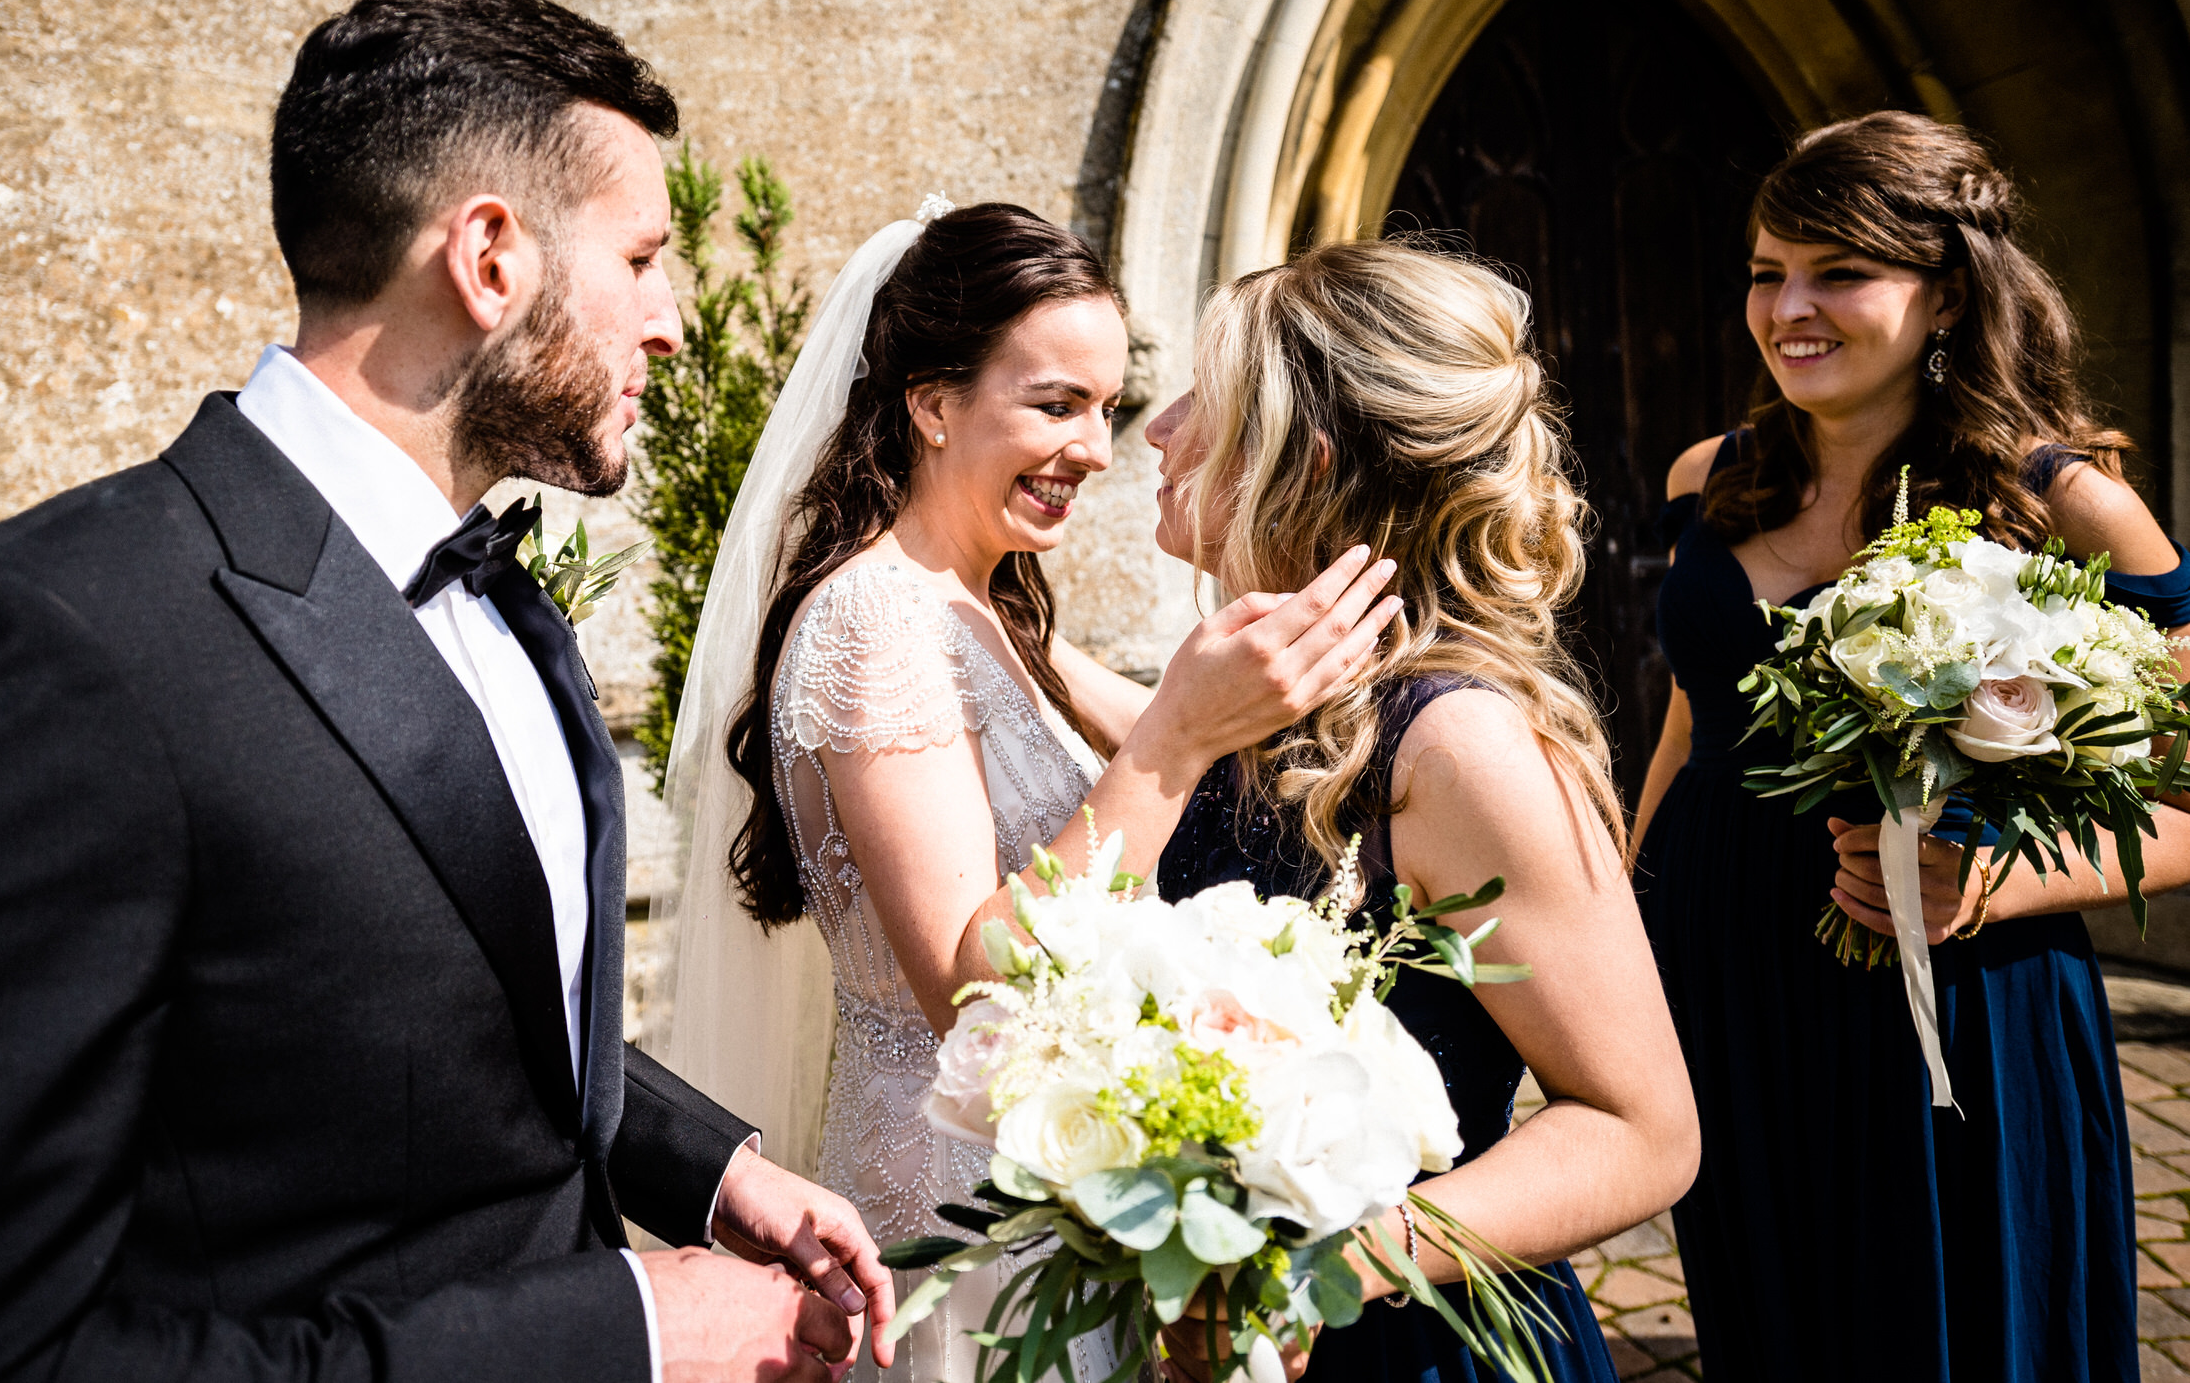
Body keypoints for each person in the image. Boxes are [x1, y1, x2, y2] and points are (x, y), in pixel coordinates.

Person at [0, 0, 895, 1383]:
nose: (670, 322)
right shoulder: (35, 647)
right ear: (488, 257)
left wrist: (709, 1171)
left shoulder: (506, 602)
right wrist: (623, 1331)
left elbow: (436, 1004)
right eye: (643, 258)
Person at [657, 201, 1404, 1382]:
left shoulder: (983, 609)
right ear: (932, 402)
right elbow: (965, 983)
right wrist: (1173, 739)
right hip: (956, 1235)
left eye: (1106, 408)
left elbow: (1218, 740)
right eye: (1055, 405)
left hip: (1042, 1203)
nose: (1097, 450)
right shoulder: (873, 623)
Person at [1634, 110, 2190, 1382]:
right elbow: (1688, 723)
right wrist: (1621, 923)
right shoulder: (1706, 479)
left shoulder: (2065, 505)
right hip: (1726, 972)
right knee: (1772, 1318)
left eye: (1838, 271)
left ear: (1945, 296)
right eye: (1767, 272)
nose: (1788, 308)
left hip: (1952, 998)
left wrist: (1995, 884)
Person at [1147, 240, 1700, 1383]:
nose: (1156, 428)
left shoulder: (1456, 746)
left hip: (1416, 1340)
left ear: (1293, 458)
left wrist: (1323, 1264)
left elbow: (1644, 1131)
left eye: (1202, 396)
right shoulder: (1260, 697)